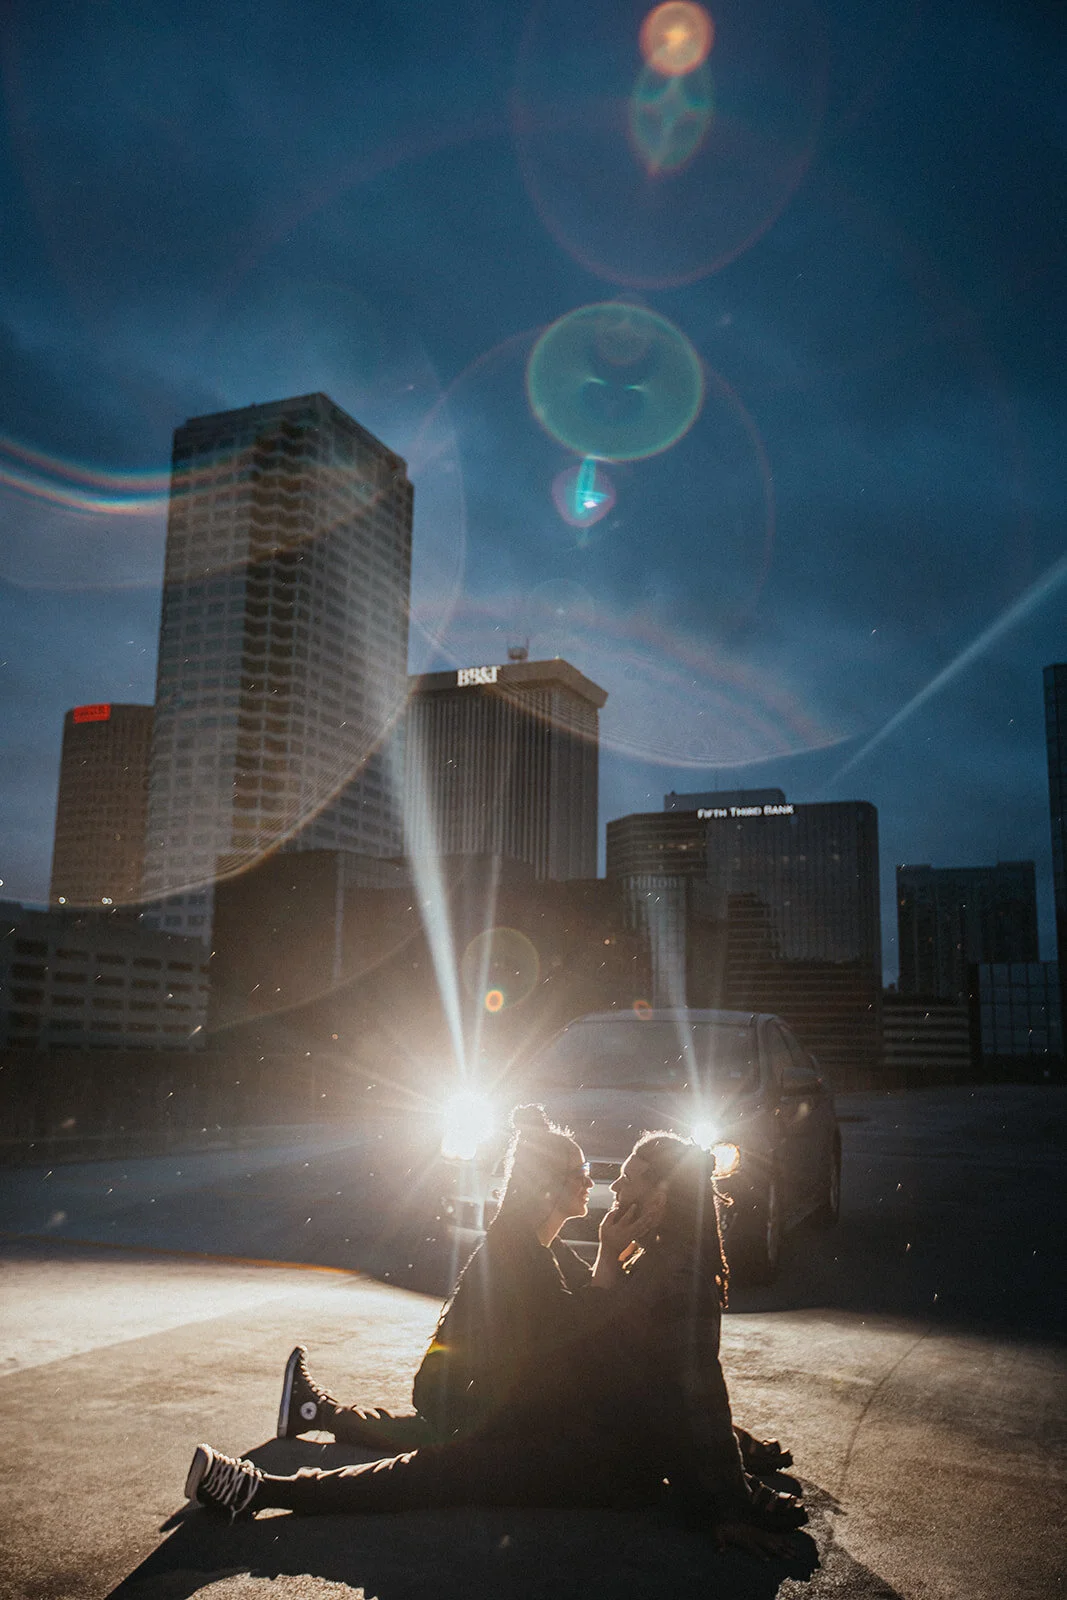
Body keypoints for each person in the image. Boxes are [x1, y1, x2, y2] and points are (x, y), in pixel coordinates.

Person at [186, 1131, 803, 1557]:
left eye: (630, 1179)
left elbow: (688, 1392)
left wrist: (732, 1498)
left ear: (666, 1195)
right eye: (606, 1175)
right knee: (435, 1460)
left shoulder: (672, 1275)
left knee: (430, 1472)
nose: (614, 1188)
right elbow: (650, 1377)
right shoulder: (656, 1263)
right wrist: (741, 1474)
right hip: (572, 1433)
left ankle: (260, 1490)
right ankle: (284, 1457)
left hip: (592, 1458)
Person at [276, 1104, 607, 1448]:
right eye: (580, 1171)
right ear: (547, 1184)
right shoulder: (518, 1252)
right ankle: (318, 1411)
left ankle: (315, 1410)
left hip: (468, 1391)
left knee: (448, 1434)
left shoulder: (535, 1243)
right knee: (454, 1438)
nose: (589, 1181)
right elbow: (576, 1318)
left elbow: (587, 1292)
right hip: (454, 1397)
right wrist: (611, 1252)